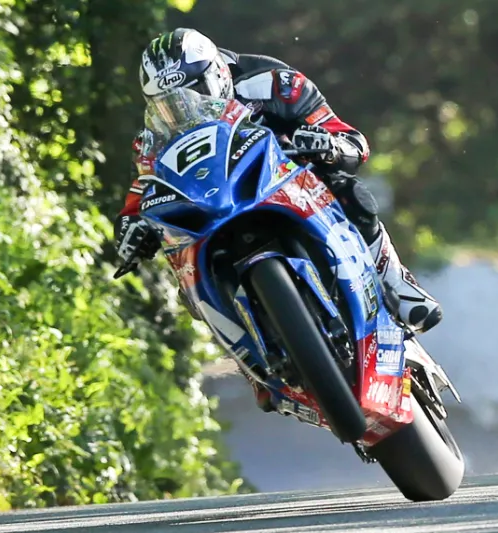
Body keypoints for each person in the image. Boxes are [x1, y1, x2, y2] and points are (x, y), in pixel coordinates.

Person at [114, 28, 443, 408]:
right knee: (183, 269)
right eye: (169, 103)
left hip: (287, 183)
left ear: (218, 72)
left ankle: (396, 284)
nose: (184, 107)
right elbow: (143, 188)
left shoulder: (271, 81)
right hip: (214, 212)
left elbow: (350, 138)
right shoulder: (152, 138)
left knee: (347, 187)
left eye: (195, 91)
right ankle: (251, 360)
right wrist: (130, 225)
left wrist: (330, 145)